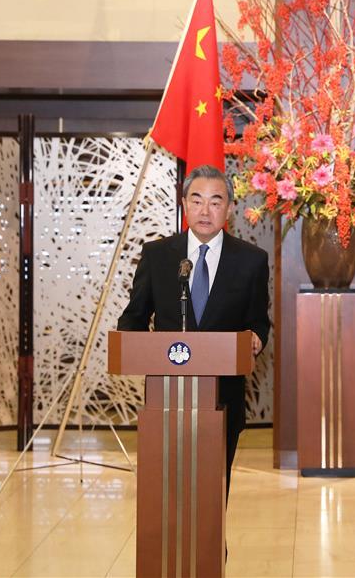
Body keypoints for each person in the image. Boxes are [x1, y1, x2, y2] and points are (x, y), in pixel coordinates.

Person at [117, 164, 270, 497]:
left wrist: (257, 338)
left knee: (212, 493)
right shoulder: (157, 256)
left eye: (215, 202)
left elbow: (258, 321)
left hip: (222, 399)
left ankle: (214, 550)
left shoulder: (251, 260)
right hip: (166, 398)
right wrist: (136, 346)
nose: (205, 210)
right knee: (168, 491)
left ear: (229, 208)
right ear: (184, 204)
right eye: (197, 200)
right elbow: (133, 319)